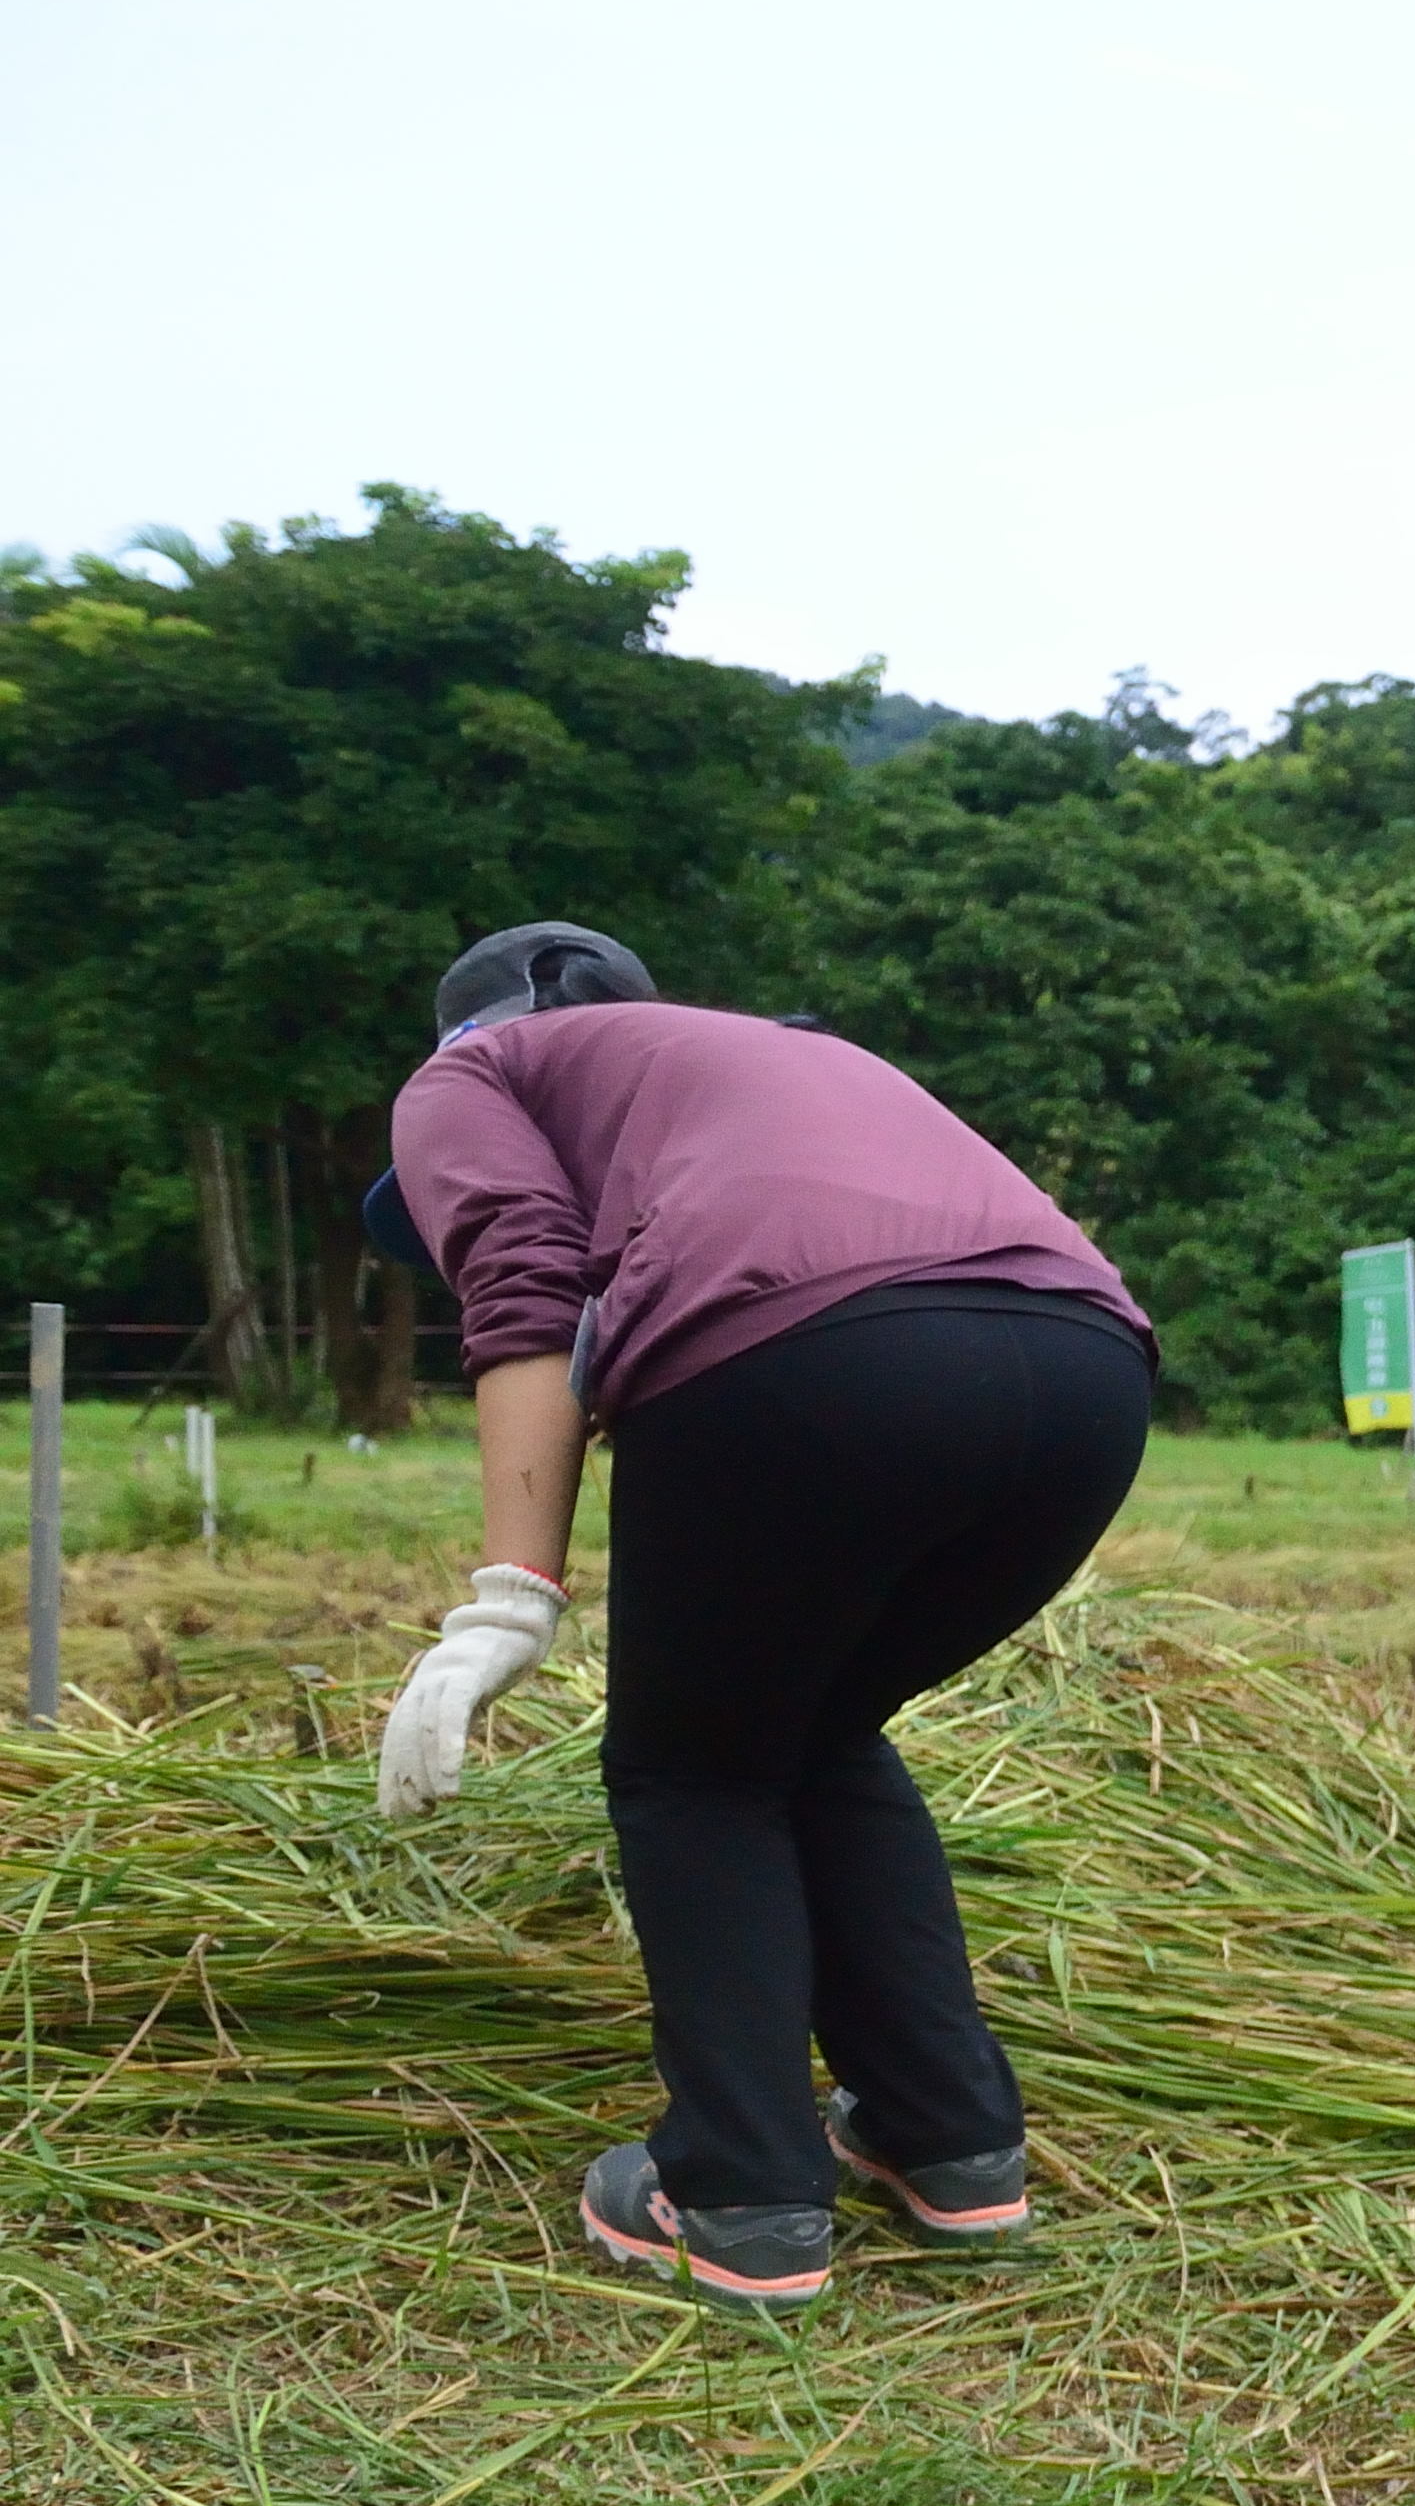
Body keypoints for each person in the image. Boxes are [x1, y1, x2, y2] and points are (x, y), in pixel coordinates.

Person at [363, 936, 1164, 2308]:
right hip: (1090, 1376)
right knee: (815, 1728)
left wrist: (509, 1597)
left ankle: (736, 2194)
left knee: (695, 1769)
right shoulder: (798, 1053)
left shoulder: (471, 1069)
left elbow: (523, 1280)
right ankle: (951, 2143)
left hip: (814, 1356)